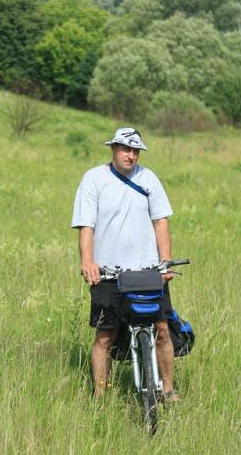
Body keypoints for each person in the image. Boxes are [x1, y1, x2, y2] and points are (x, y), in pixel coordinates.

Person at [71, 127, 179, 401]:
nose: (131, 156)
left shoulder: (148, 178)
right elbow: (86, 225)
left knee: (162, 330)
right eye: (125, 149)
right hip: (109, 272)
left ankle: (168, 389)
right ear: (113, 149)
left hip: (147, 271)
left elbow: (161, 222)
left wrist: (165, 263)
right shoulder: (94, 179)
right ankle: (100, 395)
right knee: (105, 336)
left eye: (135, 151)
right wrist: (88, 262)